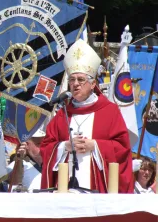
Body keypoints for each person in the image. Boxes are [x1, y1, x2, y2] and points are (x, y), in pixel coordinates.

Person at [40, 39, 134, 193]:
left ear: (92, 84)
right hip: (65, 192)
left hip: (97, 190)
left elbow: (123, 149)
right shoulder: (62, 113)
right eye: (72, 79)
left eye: (81, 79)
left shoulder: (109, 112)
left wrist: (95, 146)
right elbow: (45, 149)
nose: (75, 84)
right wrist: (65, 147)